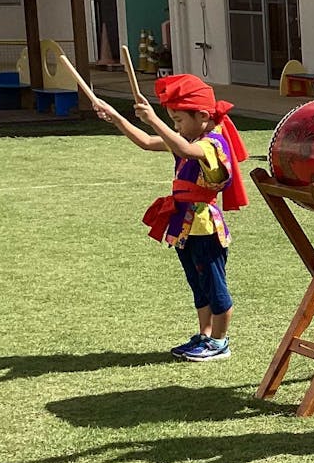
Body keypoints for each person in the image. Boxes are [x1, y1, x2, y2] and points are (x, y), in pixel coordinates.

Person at [92, 75, 249, 361]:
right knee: (197, 283)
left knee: (214, 284)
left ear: (202, 115)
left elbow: (185, 150)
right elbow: (147, 142)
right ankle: (204, 335)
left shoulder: (211, 144)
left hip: (205, 226)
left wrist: (153, 119)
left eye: (179, 120)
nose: (176, 127)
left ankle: (220, 341)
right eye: (173, 121)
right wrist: (116, 117)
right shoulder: (188, 138)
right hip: (184, 224)